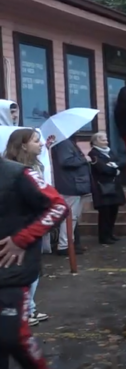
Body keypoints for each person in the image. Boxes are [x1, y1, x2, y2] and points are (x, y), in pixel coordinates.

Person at [0, 151, 68, 369]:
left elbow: (58, 206)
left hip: (10, 271)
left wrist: (22, 239)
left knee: (13, 338)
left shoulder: (17, 174)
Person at [3, 129, 50, 326]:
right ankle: (22, 311)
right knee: (19, 271)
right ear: (23, 145)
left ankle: (28, 308)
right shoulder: (14, 170)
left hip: (33, 227)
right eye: (36, 141)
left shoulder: (34, 166)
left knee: (32, 270)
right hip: (16, 231)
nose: (41, 144)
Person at [51, 135, 92, 256]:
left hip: (74, 184)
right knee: (70, 217)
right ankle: (64, 245)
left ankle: (69, 244)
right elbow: (66, 161)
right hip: (71, 184)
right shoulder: (64, 143)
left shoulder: (66, 142)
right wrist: (84, 159)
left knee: (72, 217)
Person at [87, 132, 126, 245]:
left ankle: (110, 233)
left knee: (113, 211)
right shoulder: (93, 154)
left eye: (106, 139)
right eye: (103, 140)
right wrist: (114, 169)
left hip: (113, 186)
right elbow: (103, 169)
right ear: (95, 142)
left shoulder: (110, 151)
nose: (106, 142)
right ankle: (104, 236)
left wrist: (113, 166)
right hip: (102, 187)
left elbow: (120, 162)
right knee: (105, 213)